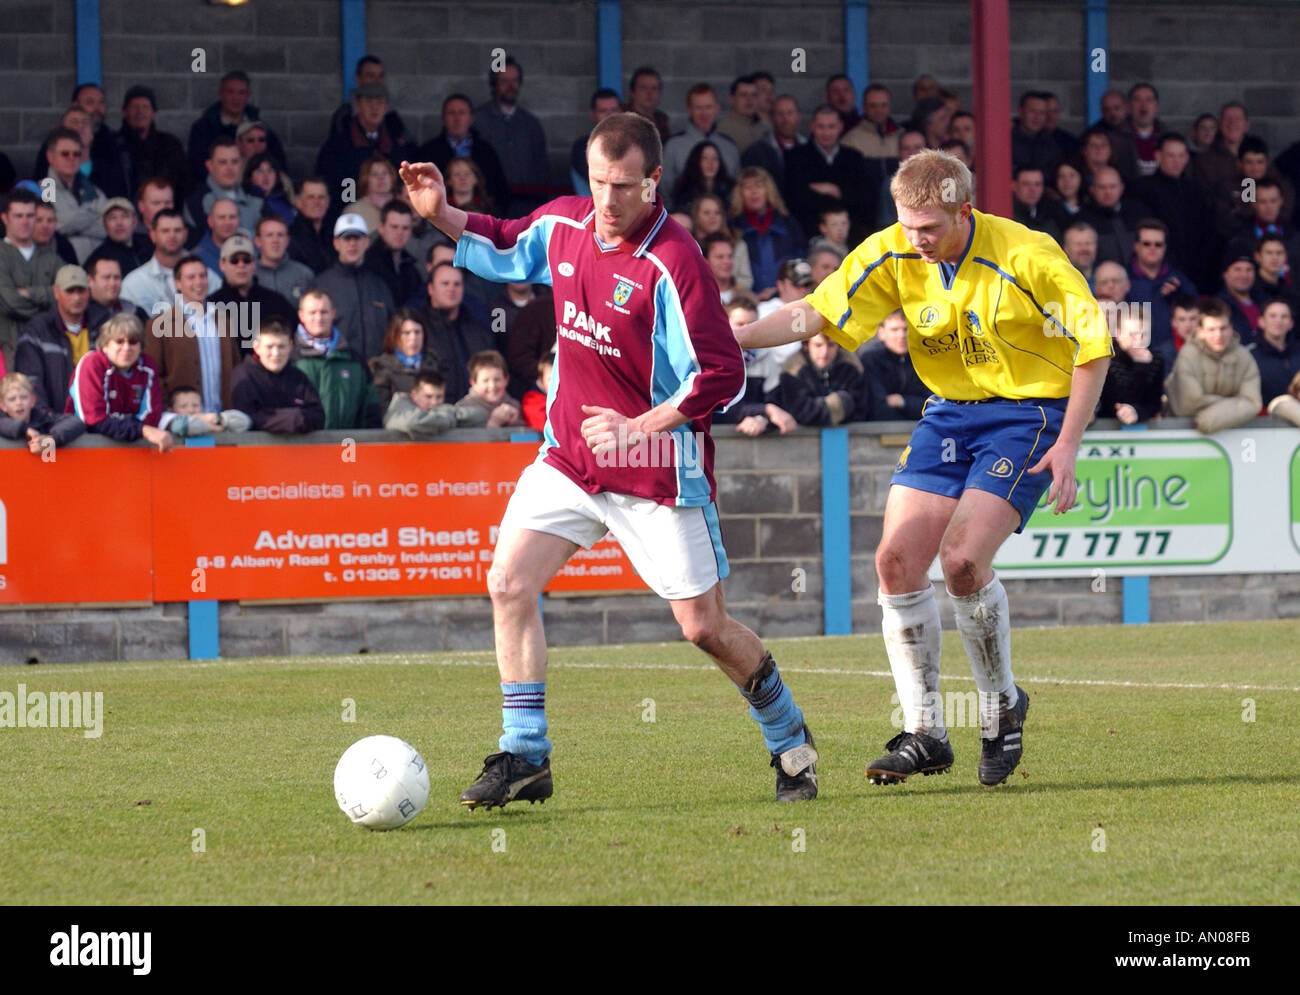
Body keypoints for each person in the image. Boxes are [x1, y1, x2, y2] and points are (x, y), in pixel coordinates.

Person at [400, 109, 819, 807]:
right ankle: (526, 754)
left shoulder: (675, 263)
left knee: (704, 628)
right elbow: (504, 242)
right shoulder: (566, 224)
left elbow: (722, 374)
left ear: (654, 182)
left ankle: (790, 738)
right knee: (507, 581)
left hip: (655, 468)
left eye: (624, 186)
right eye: (598, 181)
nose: (607, 200)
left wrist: (640, 424)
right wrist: (440, 211)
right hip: (569, 456)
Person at [736, 148, 1112, 787]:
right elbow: (815, 313)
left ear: (965, 211)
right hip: (949, 414)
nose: (916, 241)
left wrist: (1070, 444)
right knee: (894, 562)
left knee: (964, 562)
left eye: (929, 228)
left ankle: (1000, 708)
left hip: (1028, 416)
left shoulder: (1027, 255)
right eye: (908, 226)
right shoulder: (894, 250)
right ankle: (926, 733)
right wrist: (733, 337)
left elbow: (1094, 344)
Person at [144, 254, 241, 412]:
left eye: (202, 276)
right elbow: (153, 375)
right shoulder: (159, 323)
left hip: (223, 417)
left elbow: (236, 366)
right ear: (178, 284)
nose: (198, 282)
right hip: (182, 419)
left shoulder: (223, 319)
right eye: (191, 277)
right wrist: (168, 408)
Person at [66, 312, 171, 451]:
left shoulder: (148, 366)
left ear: (141, 346)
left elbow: (152, 417)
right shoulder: (91, 364)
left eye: (133, 341)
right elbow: (94, 420)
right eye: (119, 341)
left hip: (130, 450)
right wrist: (142, 430)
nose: (126, 348)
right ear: (105, 345)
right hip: (83, 447)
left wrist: (139, 429)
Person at [309, 213, 395, 366]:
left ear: (367, 242)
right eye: (346, 238)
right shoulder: (321, 285)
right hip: (337, 371)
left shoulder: (379, 285)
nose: (352, 244)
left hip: (378, 373)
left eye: (357, 238)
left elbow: (393, 329)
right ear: (336, 243)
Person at [784, 105, 879, 243]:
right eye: (821, 127)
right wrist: (842, 197)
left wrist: (837, 191)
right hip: (808, 235)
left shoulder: (854, 158)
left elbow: (865, 199)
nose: (826, 132)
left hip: (850, 238)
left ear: (840, 127)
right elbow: (796, 199)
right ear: (812, 126)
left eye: (831, 126)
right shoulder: (795, 157)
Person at [1165, 299, 1260, 433]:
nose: (1218, 335)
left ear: (1231, 327)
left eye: (1223, 328)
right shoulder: (1188, 354)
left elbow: (1253, 403)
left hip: (1226, 433)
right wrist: (1236, 404)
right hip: (1180, 434)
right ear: (1200, 331)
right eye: (1211, 329)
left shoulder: (1244, 357)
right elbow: (1188, 404)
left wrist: (1211, 419)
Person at [315, 82, 412, 211]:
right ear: (358, 106)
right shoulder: (338, 146)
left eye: (379, 103)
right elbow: (331, 186)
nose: (374, 108)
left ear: (386, 108)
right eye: (369, 102)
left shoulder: (395, 145)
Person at [291, 288, 379, 430]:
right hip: (303, 448)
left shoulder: (354, 360)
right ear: (301, 316)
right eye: (312, 313)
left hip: (348, 448)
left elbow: (370, 408)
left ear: (333, 314)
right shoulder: (290, 358)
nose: (319, 318)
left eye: (324, 312)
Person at [13, 264, 94, 413]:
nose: (76, 297)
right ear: (56, 292)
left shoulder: (101, 326)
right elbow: (30, 382)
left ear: (89, 292)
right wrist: (49, 420)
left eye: (81, 290)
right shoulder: (37, 331)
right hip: (53, 423)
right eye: (70, 291)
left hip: (96, 422)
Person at [475, 56, 549, 216]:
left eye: (515, 80)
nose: (511, 86)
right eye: (504, 81)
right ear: (494, 84)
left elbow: (542, 169)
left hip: (526, 208)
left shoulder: (531, 123)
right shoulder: (478, 120)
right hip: (489, 206)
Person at [413, 94, 510, 214]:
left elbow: (499, 191)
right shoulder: (429, 151)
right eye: (451, 113)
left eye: (462, 113)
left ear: (471, 118)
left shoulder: (486, 151)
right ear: (443, 118)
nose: (457, 118)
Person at [186, 71, 287, 185]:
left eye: (241, 93)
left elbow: (279, 164)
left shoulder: (261, 128)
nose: (236, 98)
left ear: (248, 96)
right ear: (221, 94)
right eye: (230, 92)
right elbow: (197, 168)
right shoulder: (203, 129)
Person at [120, 208, 221, 316]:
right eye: (165, 231)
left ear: (185, 234)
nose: (172, 235)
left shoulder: (207, 276)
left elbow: (222, 315)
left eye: (177, 230)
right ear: (153, 235)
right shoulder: (133, 283)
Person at [0, 189, 61, 367]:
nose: (25, 222)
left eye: (30, 215)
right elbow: (9, 302)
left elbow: (68, 299)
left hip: (48, 349)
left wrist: (29, 293)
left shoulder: (52, 258)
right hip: (8, 348)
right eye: (18, 216)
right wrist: (47, 298)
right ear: (5, 218)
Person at [230, 321, 325, 434]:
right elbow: (245, 418)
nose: (276, 353)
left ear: (290, 347)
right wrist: (292, 419)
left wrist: (296, 419)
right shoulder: (244, 375)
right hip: (253, 449)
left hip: (297, 450)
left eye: (281, 347)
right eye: (269, 347)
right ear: (256, 347)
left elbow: (318, 416)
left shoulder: (298, 377)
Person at [419, 261, 494, 401]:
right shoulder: (419, 329)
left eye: (457, 284)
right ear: (430, 289)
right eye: (445, 283)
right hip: (435, 412)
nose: (451, 289)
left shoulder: (478, 329)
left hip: (476, 412)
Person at [730, 167, 805, 298]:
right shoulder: (733, 226)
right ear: (740, 193)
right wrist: (752, 296)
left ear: (768, 190)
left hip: (786, 300)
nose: (754, 192)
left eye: (759, 186)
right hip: (747, 303)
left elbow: (800, 262)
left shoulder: (788, 224)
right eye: (747, 187)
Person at [661, 84, 741, 196]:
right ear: (689, 110)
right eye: (698, 108)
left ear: (716, 109)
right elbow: (665, 190)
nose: (704, 113)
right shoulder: (673, 146)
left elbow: (736, 191)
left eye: (708, 107)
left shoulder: (730, 146)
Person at [208, 233, 296, 333]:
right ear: (222, 264)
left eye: (246, 260)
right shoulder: (211, 305)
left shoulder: (276, 301)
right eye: (234, 260)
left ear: (254, 263)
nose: (241, 265)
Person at [183, 137, 263, 243]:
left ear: (242, 163)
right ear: (209, 166)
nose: (229, 168)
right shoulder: (196, 201)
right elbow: (198, 246)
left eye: (234, 162)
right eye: (223, 162)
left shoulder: (256, 195)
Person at [777, 331, 868, 425]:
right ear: (806, 345)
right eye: (818, 345)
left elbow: (860, 411)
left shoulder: (852, 366)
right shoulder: (792, 369)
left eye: (831, 345)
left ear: (838, 346)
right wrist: (839, 404)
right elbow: (798, 412)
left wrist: (818, 410)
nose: (825, 352)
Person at [44, 127, 106, 262]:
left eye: (76, 154)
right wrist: (94, 216)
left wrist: (73, 226)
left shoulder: (94, 190)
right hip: (63, 265)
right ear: (50, 156)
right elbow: (59, 225)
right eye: (65, 154)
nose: (71, 158)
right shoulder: (45, 187)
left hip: (98, 269)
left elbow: (107, 226)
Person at [859, 309, 928, 420]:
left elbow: (932, 405)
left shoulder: (923, 360)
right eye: (894, 330)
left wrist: (902, 401)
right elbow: (878, 408)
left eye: (906, 329)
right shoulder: (871, 361)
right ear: (881, 333)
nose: (902, 335)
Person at [368, 308, 443, 410]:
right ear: (395, 336)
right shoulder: (382, 368)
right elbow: (381, 410)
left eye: (417, 332)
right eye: (407, 333)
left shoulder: (435, 363)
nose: (413, 338)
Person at [1097, 313, 1165, 424]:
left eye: (1144, 335)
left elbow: (1154, 403)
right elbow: (1110, 404)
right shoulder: (1106, 358)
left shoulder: (1156, 359)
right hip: (1105, 429)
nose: (1139, 340)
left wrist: (1137, 412)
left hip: (1142, 431)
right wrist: (1140, 367)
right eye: (1133, 334)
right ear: (1118, 334)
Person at [0, 371, 84, 453]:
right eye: (12, 399)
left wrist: (51, 439)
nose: (19, 403)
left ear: (33, 400)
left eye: (24, 397)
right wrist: (24, 429)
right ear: (2, 405)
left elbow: (75, 422)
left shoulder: (42, 418)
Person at [383, 368, 483, 437]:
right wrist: (445, 419)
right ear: (414, 395)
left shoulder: (445, 411)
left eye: (439, 397)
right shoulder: (399, 408)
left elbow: (478, 416)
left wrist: (447, 414)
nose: (434, 402)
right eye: (428, 396)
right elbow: (412, 423)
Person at [363, 202, 423, 308]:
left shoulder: (411, 267)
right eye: (394, 227)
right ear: (381, 228)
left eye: (405, 228)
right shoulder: (367, 263)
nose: (400, 233)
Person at [740, 93, 804, 191]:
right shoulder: (756, 152)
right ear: (772, 118)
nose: (785, 119)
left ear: (798, 116)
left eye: (790, 113)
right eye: (780, 114)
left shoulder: (809, 148)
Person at [689, 193, 752, 292]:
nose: (712, 217)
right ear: (696, 216)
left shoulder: (738, 244)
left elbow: (745, 279)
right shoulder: (690, 246)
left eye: (717, 212)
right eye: (707, 213)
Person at [570, 89, 623, 198]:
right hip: (594, 209)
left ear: (621, 112)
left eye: (614, 110)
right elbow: (601, 180)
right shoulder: (582, 147)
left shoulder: (635, 144)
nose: (609, 116)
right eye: (603, 111)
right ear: (593, 114)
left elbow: (647, 180)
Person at [1249, 298, 1300, 411]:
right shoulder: (1249, 356)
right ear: (1261, 321)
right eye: (1273, 316)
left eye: (1284, 316)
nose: (1278, 321)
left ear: (1291, 323)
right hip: (1264, 423)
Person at [254, 216, 314, 305]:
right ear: (258, 241)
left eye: (280, 235)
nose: (275, 240)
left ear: (287, 240)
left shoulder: (304, 275)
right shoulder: (248, 273)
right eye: (269, 235)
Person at [84, 197, 151, 278]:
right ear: (104, 224)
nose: (119, 223)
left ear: (134, 221)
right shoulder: (99, 258)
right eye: (113, 217)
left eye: (124, 216)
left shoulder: (149, 244)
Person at [454, 349, 521, 426]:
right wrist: (494, 422)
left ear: (506, 380)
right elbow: (461, 436)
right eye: (485, 381)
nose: (492, 386)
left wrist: (514, 423)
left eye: (497, 379)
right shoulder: (463, 409)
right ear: (473, 383)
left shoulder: (515, 405)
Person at [84, 256, 150, 334]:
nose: (113, 283)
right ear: (90, 281)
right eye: (106, 277)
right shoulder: (82, 315)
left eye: (117, 277)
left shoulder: (135, 311)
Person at [161, 385, 251, 439]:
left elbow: (246, 422)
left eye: (195, 405)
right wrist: (212, 427)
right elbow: (181, 426)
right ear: (170, 409)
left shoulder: (211, 418)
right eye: (183, 406)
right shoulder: (167, 419)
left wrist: (220, 419)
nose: (191, 410)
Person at [288, 177, 337, 274]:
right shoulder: (290, 237)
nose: (317, 202)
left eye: (321, 197)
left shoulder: (335, 234)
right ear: (298, 202)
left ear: (328, 202)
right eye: (310, 197)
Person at [670, 141, 733, 214]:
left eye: (715, 158)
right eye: (704, 158)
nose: (710, 163)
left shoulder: (729, 188)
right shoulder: (684, 190)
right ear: (696, 161)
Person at [843, 84, 901, 162]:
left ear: (889, 106)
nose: (879, 110)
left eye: (884, 105)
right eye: (873, 106)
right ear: (864, 107)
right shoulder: (850, 140)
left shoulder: (902, 135)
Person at [341, 156, 398, 234]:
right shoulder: (354, 211)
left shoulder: (402, 207)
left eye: (385, 173)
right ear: (366, 179)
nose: (381, 178)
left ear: (392, 177)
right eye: (374, 174)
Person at [715, 75, 767, 155]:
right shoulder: (723, 130)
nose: (749, 99)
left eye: (753, 95)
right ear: (732, 100)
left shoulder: (764, 129)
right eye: (743, 95)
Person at [242, 151, 295, 224]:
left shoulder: (285, 203)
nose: (266, 176)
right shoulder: (243, 201)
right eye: (259, 171)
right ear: (250, 177)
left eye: (270, 171)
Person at [623, 66, 672, 144]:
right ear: (632, 93)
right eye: (643, 88)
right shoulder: (623, 120)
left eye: (654, 88)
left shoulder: (662, 121)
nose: (649, 93)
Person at [520, 353, 551, 431]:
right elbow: (545, 427)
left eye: (562, 378)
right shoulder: (531, 400)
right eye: (551, 379)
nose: (557, 384)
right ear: (541, 381)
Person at [1063, 220, 1098, 284]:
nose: (1084, 248)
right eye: (1078, 244)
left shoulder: (1108, 279)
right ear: (1066, 249)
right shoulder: (1061, 280)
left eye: (1088, 243)